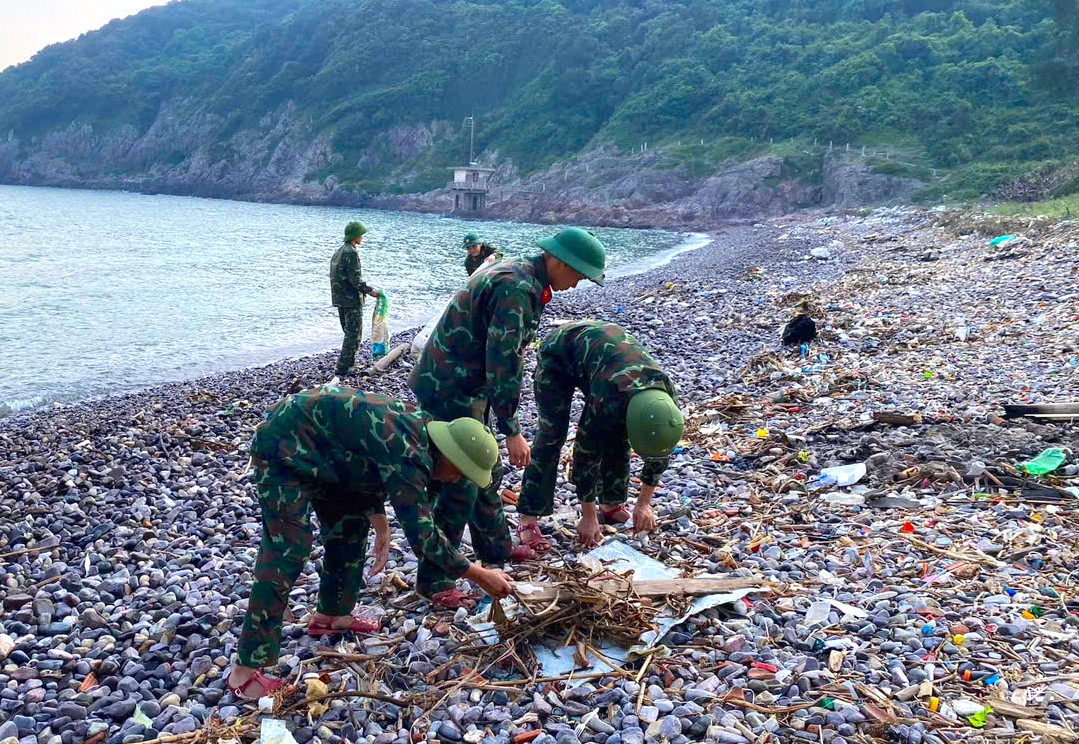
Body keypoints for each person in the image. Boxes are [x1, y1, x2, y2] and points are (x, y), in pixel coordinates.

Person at [226, 385, 512, 700]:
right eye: (460, 472)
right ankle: (245, 668)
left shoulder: (424, 437)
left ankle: (331, 614)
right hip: (285, 443)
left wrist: (379, 521)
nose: (457, 480)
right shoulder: (409, 450)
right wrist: (479, 574)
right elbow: (424, 536)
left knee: (349, 526)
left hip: (332, 455)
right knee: (287, 550)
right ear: (449, 454)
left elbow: (366, 461)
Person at [408, 227, 606, 608]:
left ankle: (495, 547)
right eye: (579, 274)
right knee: (460, 478)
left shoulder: (525, 275)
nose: (578, 283)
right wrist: (511, 428)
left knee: (486, 469)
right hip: (450, 385)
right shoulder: (517, 288)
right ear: (559, 262)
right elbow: (504, 361)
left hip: (464, 381)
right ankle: (435, 580)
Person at [515, 321, 684, 557]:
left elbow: (660, 451)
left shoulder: (666, 404)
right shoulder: (608, 395)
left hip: (604, 360)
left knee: (617, 435)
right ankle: (528, 517)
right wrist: (588, 516)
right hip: (560, 353)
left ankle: (611, 503)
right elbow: (586, 453)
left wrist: (644, 503)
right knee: (551, 436)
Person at [330, 221, 382, 377]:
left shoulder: (339, 251)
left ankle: (349, 363)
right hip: (350, 299)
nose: (362, 237)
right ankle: (344, 368)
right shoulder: (351, 252)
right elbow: (355, 280)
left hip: (339, 298)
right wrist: (370, 291)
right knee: (353, 334)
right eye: (361, 234)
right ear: (355, 236)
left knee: (348, 331)